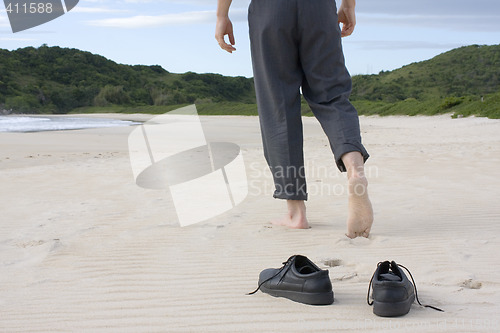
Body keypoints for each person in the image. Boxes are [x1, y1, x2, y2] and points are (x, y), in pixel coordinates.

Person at [215, 0, 373, 238]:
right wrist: (349, 5)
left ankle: (296, 213)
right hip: (319, 9)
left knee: (277, 104)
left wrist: (221, 16)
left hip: (270, 10)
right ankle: (354, 169)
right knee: (333, 96)